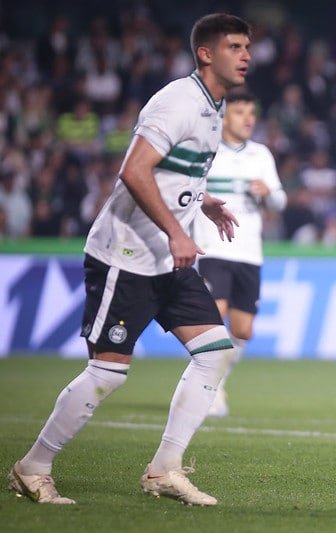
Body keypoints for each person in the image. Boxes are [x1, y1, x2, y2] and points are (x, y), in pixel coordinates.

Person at [7, 13, 251, 506]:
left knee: (216, 352)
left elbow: (172, 171)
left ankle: (165, 470)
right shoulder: (177, 101)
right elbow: (134, 171)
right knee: (107, 372)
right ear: (206, 53)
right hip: (125, 255)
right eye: (234, 46)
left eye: (247, 47)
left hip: (167, 259)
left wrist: (201, 200)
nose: (246, 55)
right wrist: (177, 230)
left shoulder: (213, 107)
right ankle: (32, 467)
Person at [193, 89, 287, 417]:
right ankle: (205, 388)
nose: (248, 118)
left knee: (243, 330)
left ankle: (216, 381)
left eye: (251, 112)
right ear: (223, 116)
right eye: (240, 112)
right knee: (214, 318)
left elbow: (280, 200)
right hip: (213, 247)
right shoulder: (207, 152)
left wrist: (268, 193)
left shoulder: (261, 155)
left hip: (249, 252)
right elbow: (188, 192)